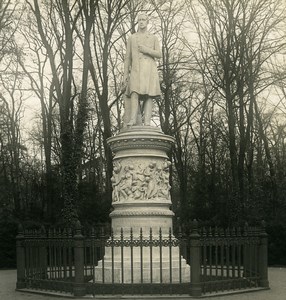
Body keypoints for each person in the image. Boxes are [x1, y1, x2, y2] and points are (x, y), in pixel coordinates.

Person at [122, 12, 162, 126]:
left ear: (147, 22)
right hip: (136, 69)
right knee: (134, 92)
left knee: (149, 94)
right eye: (139, 20)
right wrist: (125, 74)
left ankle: (147, 121)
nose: (141, 22)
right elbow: (127, 58)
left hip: (149, 70)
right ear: (137, 22)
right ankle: (133, 119)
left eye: (143, 19)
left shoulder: (153, 38)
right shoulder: (132, 38)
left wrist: (146, 50)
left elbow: (159, 54)